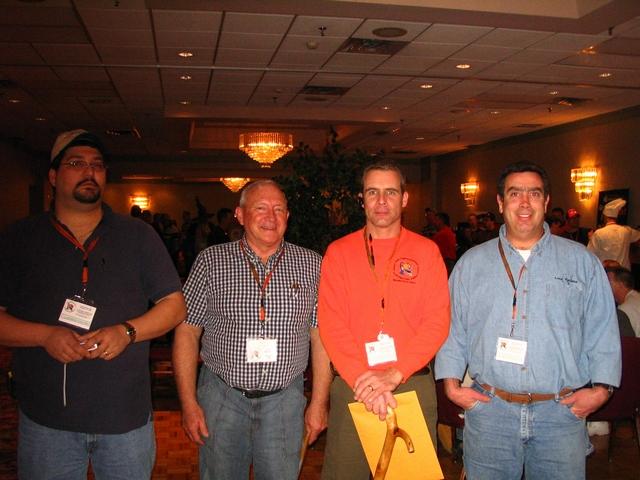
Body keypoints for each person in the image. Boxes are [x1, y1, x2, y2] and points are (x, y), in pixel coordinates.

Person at [0, 129, 187, 479]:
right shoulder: (20, 238)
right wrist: (44, 336)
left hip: (125, 419)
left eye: (97, 165)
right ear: (53, 177)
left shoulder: (138, 236)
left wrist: (127, 331)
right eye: (76, 164)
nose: (89, 171)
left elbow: (174, 306)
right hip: (47, 420)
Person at [435, 161, 621, 480]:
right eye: (514, 193)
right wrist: (452, 386)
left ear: (546, 201)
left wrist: (602, 390)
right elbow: (453, 328)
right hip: (490, 412)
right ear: (500, 202)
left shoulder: (582, 262)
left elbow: (603, 329)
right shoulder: (472, 264)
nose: (524, 203)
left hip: (561, 414)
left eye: (534, 194)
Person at [173, 179, 331, 480]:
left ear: (288, 216)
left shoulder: (312, 264)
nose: (271, 217)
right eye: (261, 208)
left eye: (279, 209)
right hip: (221, 398)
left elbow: (321, 336)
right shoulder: (211, 261)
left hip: (285, 402)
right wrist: (189, 403)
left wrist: (319, 403)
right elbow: (187, 331)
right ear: (240, 215)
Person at [318, 162, 450, 480]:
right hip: (353, 385)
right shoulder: (339, 252)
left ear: (404, 199)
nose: (381, 201)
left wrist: (395, 373)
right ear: (361, 199)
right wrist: (364, 381)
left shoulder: (426, 251)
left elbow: (437, 322)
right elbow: (331, 323)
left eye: (390, 192)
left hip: (410, 382)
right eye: (372, 192)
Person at [588, 198, 640, 269]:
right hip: (624, 272)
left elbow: (590, 254)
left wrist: (591, 238)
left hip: (607, 272)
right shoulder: (627, 230)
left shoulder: (599, 233)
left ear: (605, 217)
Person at [606, 265, 640, 336]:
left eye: (608, 281)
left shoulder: (623, 310)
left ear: (621, 285)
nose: (604, 285)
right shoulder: (637, 297)